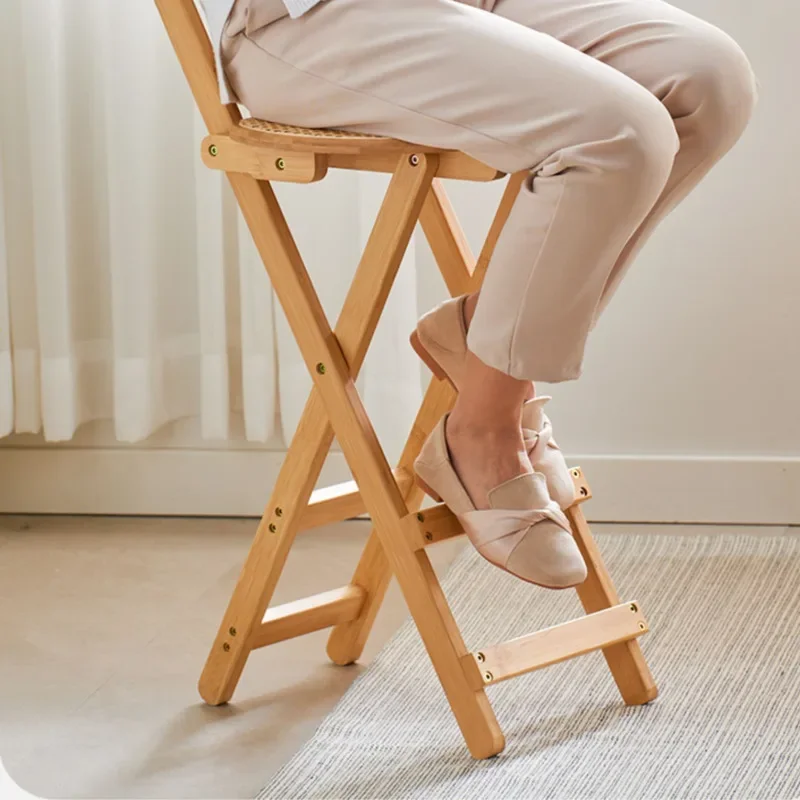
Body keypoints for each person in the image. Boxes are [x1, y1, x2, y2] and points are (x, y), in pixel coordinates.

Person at [200, 0, 756, 588]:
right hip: (304, 18)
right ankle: (481, 427)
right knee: (619, 134)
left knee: (711, 79)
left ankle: (484, 340)